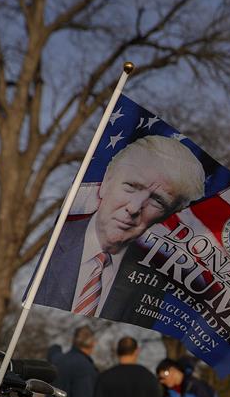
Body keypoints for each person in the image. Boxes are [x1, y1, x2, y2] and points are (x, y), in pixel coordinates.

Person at [36, 135, 206, 318]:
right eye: (131, 186)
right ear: (107, 181)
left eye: (157, 201)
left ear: (169, 215)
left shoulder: (154, 286)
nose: (134, 208)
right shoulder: (53, 241)